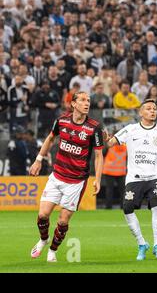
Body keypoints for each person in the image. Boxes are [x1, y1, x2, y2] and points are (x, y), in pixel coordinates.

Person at [29, 91, 104, 262]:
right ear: (73, 104)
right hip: (57, 176)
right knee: (42, 215)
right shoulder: (61, 121)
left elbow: (99, 155)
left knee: (63, 221)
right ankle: (43, 240)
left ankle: (52, 251)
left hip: (76, 181)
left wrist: (97, 179)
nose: (87, 103)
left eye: (89, 100)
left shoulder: (94, 127)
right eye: (83, 100)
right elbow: (50, 138)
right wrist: (38, 160)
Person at [107, 99, 157, 261]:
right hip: (134, 178)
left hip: (153, 177)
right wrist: (105, 138)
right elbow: (110, 143)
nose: (153, 111)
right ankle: (142, 243)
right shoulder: (130, 129)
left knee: (156, 207)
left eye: (155, 109)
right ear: (140, 113)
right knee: (127, 208)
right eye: (148, 109)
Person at [102, 136, 127, 209]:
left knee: (109, 190)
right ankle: (123, 206)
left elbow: (102, 154)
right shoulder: (125, 146)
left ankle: (108, 207)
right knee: (123, 191)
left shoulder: (109, 145)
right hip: (121, 171)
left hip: (109, 171)